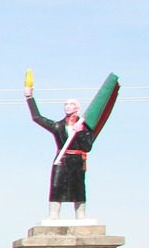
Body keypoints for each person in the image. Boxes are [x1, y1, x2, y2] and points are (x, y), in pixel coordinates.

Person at [27, 87, 97, 219]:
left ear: (77, 108)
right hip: (61, 159)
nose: (67, 106)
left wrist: (80, 132)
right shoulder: (58, 126)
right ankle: (53, 215)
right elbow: (37, 117)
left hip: (77, 160)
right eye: (66, 104)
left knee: (79, 188)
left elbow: (87, 147)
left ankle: (80, 215)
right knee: (56, 186)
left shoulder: (85, 127)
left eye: (71, 104)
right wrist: (29, 98)